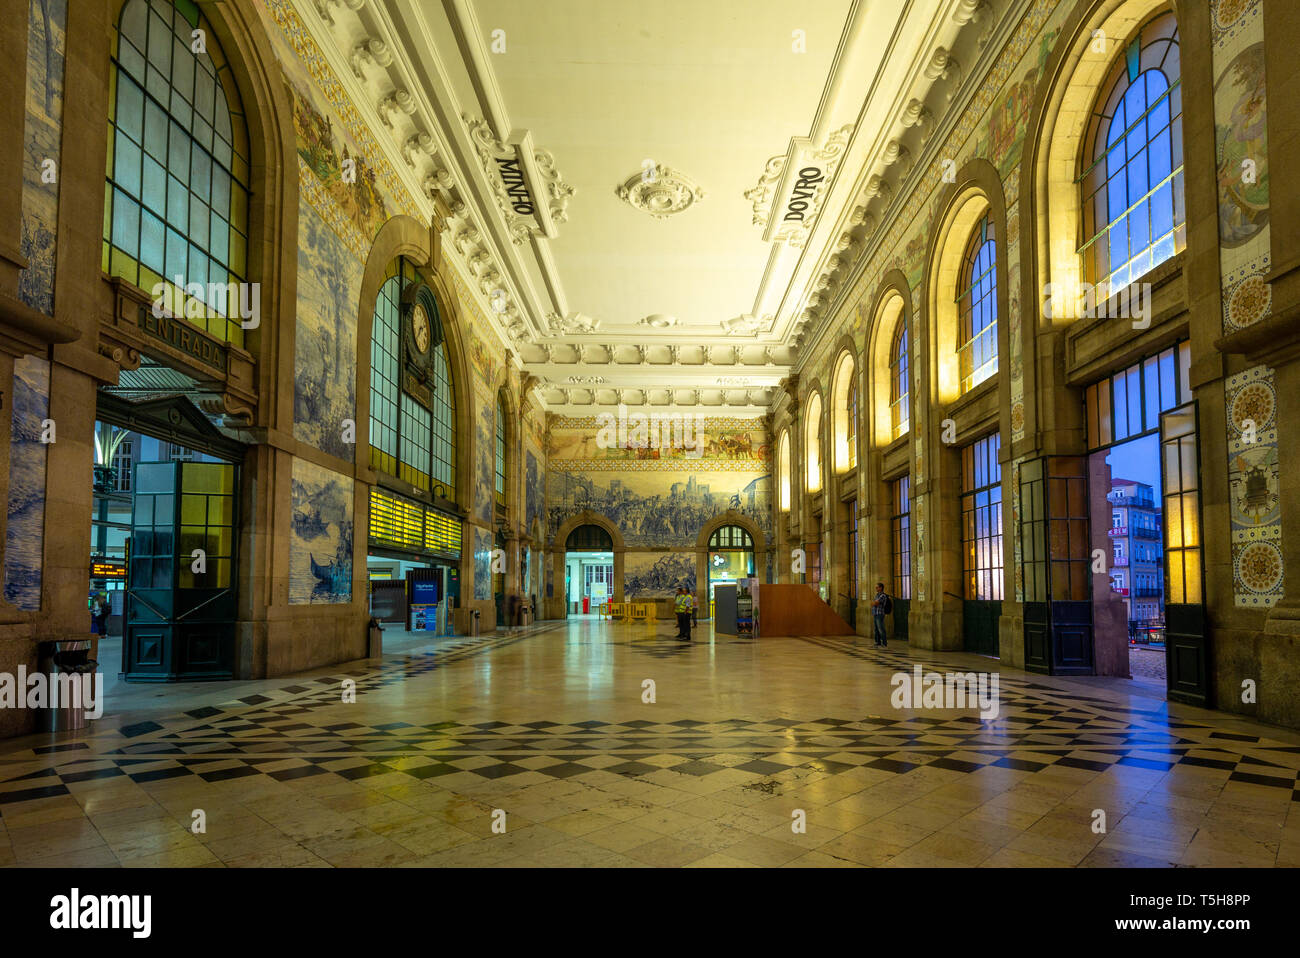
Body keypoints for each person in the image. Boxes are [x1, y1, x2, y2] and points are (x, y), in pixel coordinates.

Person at [871, 582, 891, 647]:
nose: (876, 588)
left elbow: (876, 603)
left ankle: (884, 643)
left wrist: (874, 603)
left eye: (877, 587)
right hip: (875, 613)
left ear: (881, 588)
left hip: (880, 613)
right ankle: (877, 641)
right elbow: (873, 603)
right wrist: (874, 603)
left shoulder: (883, 595)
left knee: (881, 628)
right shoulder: (877, 595)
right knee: (876, 628)